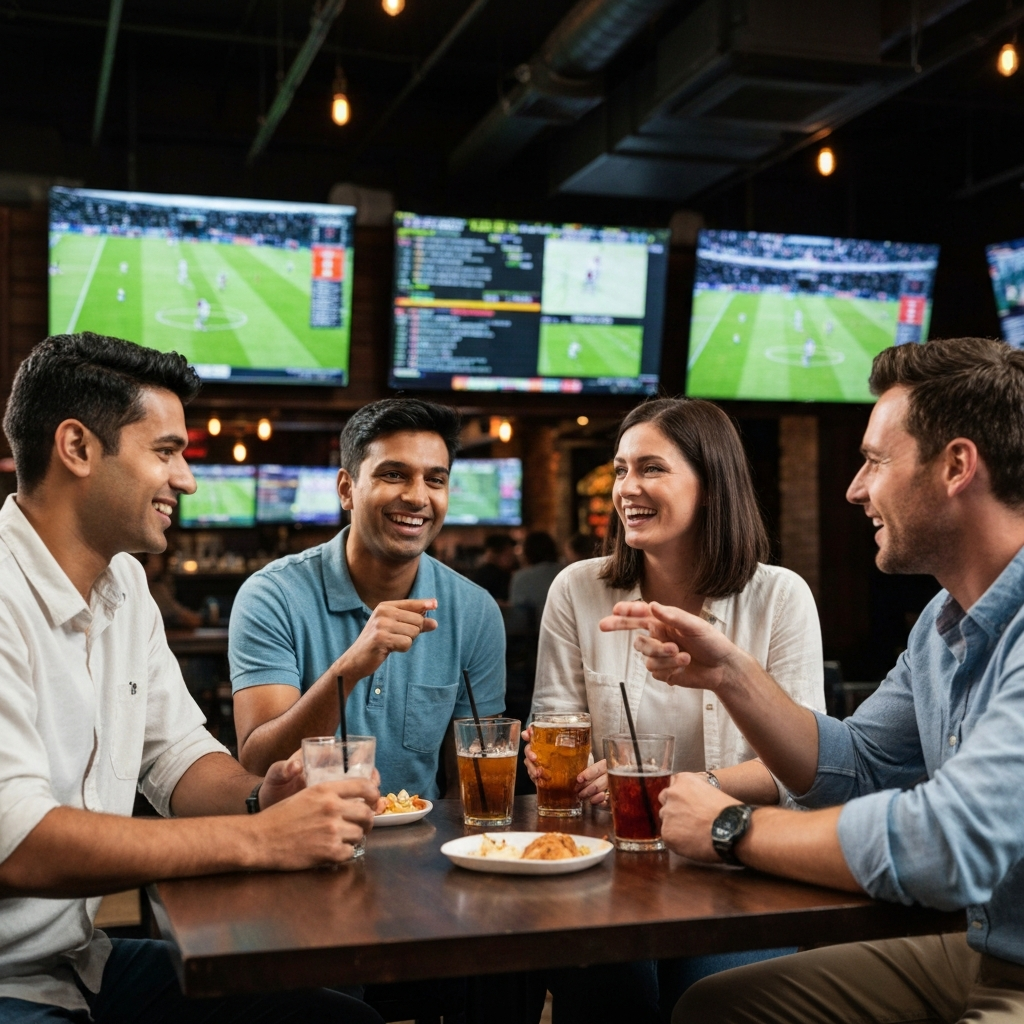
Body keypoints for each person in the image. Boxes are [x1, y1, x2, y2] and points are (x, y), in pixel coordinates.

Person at [601, 337, 1024, 1024]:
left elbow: (945, 844)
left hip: (1009, 960)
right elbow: (855, 767)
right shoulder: (942, 624)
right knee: (715, 1007)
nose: (856, 489)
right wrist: (730, 673)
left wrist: (733, 827)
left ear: (955, 467)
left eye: (873, 462)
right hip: (983, 946)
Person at [0, 332, 382, 1024]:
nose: (188, 479)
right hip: (9, 985)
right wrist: (262, 840)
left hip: (80, 963)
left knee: (344, 1021)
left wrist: (260, 796)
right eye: (166, 452)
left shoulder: (123, 584)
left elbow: (175, 757)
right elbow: (18, 843)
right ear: (78, 448)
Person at [525, 397, 825, 1023]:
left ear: (712, 486)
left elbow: (803, 769)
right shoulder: (577, 589)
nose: (627, 488)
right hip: (610, 863)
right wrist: (555, 769)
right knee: (612, 996)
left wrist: (684, 789)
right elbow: (558, 736)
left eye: (651, 468)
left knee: (716, 1002)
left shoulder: (780, 597)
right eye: (620, 470)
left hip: (739, 865)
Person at [230, 398, 505, 798]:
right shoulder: (272, 596)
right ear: (347, 489)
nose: (417, 497)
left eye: (435, 479)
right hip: (298, 846)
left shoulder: (475, 611)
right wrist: (350, 668)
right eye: (394, 475)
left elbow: (475, 789)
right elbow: (258, 766)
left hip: (423, 851)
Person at [508, 530, 562, 620]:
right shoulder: (565, 573)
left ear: (527, 552)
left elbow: (517, 613)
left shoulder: (521, 577)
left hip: (532, 632)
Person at [469, 533, 518, 602]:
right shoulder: (490, 575)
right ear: (494, 554)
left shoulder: (481, 573)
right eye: (509, 555)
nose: (512, 558)